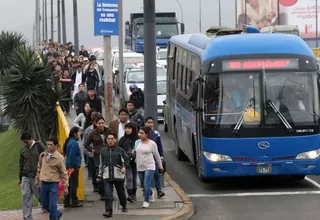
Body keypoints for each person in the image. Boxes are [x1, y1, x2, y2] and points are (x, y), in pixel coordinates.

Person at [98, 133, 130, 217]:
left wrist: (125, 167)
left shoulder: (120, 150)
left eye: (112, 138)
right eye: (108, 139)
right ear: (106, 140)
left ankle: (123, 204)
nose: (110, 140)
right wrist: (99, 175)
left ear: (115, 140)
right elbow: (101, 164)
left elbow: (127, 160)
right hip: (107, 176)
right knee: (108, 194)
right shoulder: (103, 151)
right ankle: (108, 211)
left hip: (118, 175)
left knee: (121, 192)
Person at [35, 138, 68, 220]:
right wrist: (37, 179)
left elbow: (64, 173)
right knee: (44, 204)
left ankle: (53, 217)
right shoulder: (42, 155)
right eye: (48, 145)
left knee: (52, 205)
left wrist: (65, 186)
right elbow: (39, 168)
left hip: (53, 184)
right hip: (43, 183)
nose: (49, 147)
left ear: (56, 146)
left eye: (51, 145)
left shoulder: (59, 158)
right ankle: (57, 213)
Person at [19, 132, 46, 220]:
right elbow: (21, 164)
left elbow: (45, 160)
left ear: (31, 139)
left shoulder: (40, 146)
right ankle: (27, 217)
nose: (25, 144)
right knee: (25, 196)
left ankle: (51, 209)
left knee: (40, 195)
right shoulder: (23, 149)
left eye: (26, 142)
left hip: (36, 176)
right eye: (24, 142)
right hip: (25, 176)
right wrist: (20, 177)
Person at [135, 126, 163, 208]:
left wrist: (160, 166)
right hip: (140, 166)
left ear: (146, 134)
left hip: (150, 166)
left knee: (146, 183)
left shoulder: (152, 144)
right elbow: (135, 152)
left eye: (142, 133)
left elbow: (157, 155)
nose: (140, 135)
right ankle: (151, 192)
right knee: (144, 185)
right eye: (139, 133)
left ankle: (146, 201)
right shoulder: (137, 142)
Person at [85, 116, 113, 200]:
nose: (101, 125)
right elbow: (86, 144)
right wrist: (92, 150)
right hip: (98, 156)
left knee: (109, 174)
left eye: (102, 123)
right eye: (99, 123)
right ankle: (102, 193)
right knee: (100, 174)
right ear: (96, 124)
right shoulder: (93, 133)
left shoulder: (109, 131)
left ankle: (109, 193)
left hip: (109, 155)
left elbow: (114, 140)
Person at [118, 122, 139, 202]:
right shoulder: (123, 139)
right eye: (126, 128)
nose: (127, 130)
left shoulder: (137, 140)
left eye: (129, 128)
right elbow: (119, 149)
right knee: (129, 178)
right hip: (127, 162)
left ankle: (134, 194)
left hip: (135, 161)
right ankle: (130, 194)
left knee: (134, 178)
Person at [144, 117, 165, 198]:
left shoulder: (156, 134)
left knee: (156, 174)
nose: (150, 124)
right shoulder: (142, 133)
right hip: (144, 158)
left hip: (154, 158)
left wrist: (161, 157)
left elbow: (160, 146)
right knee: (144, 176)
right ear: (145, 123)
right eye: (148, 122)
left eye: (152, 122)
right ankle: (146, 190)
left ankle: (159, 190)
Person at [63, 127, 83, 208]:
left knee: (69, 184)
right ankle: (74, 201)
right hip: (73, 167)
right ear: (75, 133)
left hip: (70, 166)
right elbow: (71, 156)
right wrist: (71, 167)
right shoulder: (74, 143)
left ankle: (67, 202)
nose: (80, 133)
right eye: (78, 132)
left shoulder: (70, 142)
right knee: (73, 184)